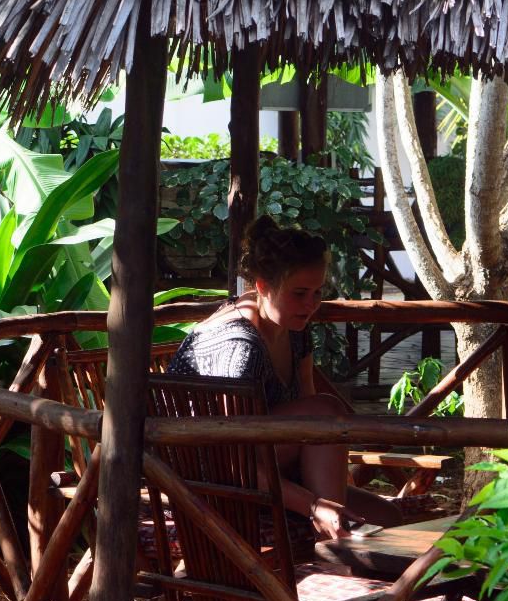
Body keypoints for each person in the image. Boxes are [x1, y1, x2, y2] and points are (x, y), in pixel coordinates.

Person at [167, 216, 402, 538]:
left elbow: (305, 404)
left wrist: (332, 477)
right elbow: (231, 459)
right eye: (300, 293)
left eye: (318, 292)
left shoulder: (293, 328)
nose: (311, 305)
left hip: (273, 465)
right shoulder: (238, 347)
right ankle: (334, 548)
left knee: (391, 519)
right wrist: (313, 505)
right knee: (325, 412)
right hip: (210, 480)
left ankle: (338, 542)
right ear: (263, 287)